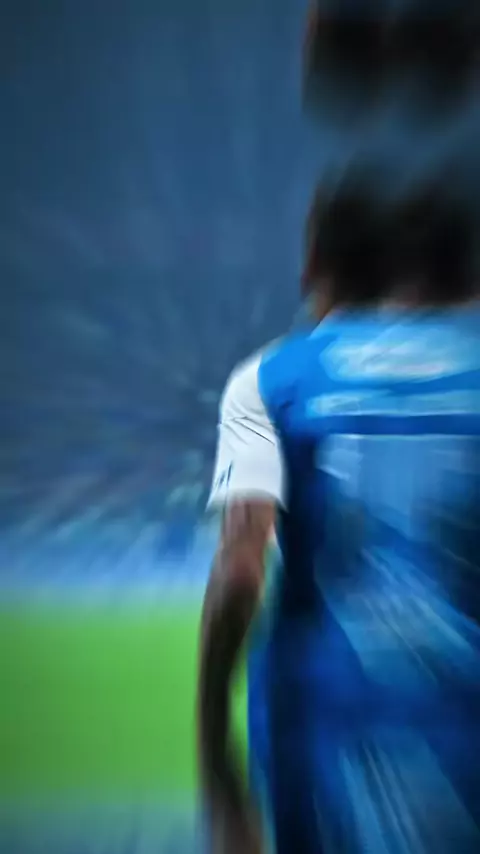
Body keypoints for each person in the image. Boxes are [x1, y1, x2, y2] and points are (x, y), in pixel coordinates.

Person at [197, 171, 479, 854]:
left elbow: (240, 571)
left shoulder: (271, 379)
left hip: (320, 721)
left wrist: (211, 733)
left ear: (313, 266)